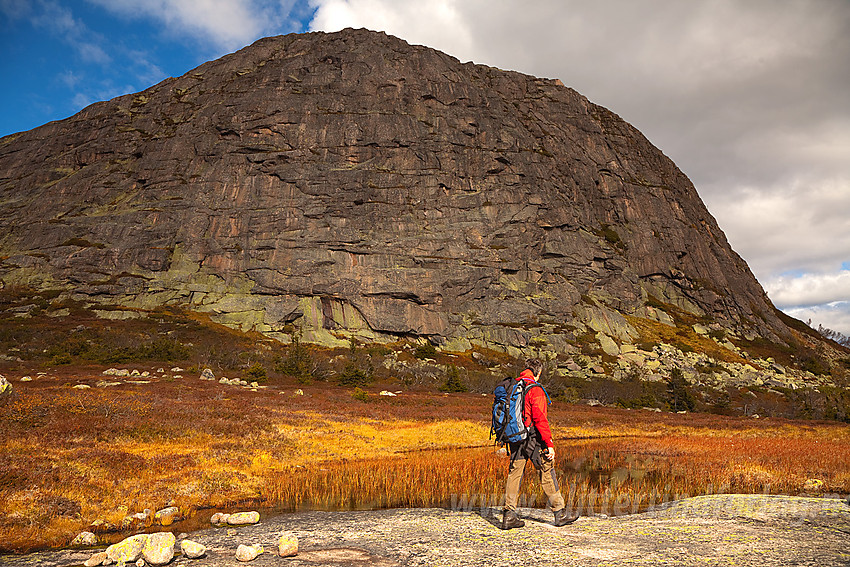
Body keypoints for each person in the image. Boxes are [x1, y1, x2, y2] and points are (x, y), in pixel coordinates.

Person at [501, 357, 579, 529]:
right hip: (533, 438)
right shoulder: (535, 389)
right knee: (546, 470)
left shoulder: (514, 386)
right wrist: (549, 443)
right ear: (538, 372)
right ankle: (560, 513)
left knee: (514, 474)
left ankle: (508, 515)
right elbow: (540, 419)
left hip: (515, 437)